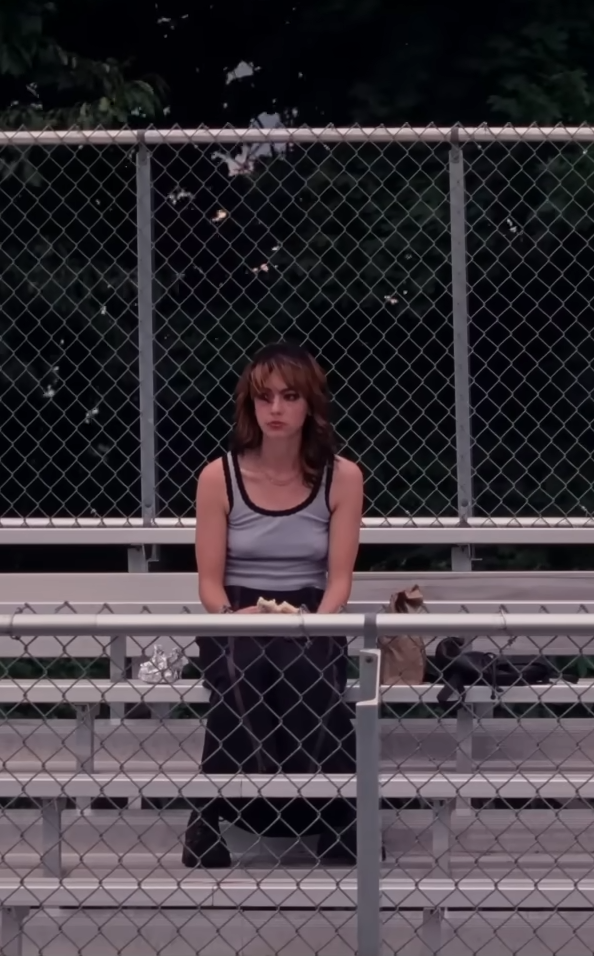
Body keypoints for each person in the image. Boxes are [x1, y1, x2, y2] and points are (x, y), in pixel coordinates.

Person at [182, 342, 365, 869]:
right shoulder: (218, 477)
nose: (277, 409)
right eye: (265, 398)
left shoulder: (343, 477)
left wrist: (319, 622)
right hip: (238, 607)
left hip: (310, 608)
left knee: (305, 668)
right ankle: (217, 812)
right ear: (250, 406)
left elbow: (339, 580)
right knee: (244, 666)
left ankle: (335, 813)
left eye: (290, 396)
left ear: (310, 404)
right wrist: (229, 618)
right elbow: (209, 583)